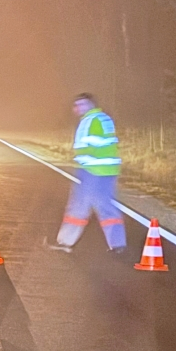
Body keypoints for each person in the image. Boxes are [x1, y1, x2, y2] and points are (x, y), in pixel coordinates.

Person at [48, 93, 126, 254]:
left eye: (82, 104)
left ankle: (65, 242)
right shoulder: (104, 118)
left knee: (78, 205)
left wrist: (81, 161)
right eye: (77, 105)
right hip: (109, 170)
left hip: (92, 169)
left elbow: (86, 147)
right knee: (105, 206)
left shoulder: (89, 120)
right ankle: (118, 244)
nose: (78, 108)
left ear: (91, 104)